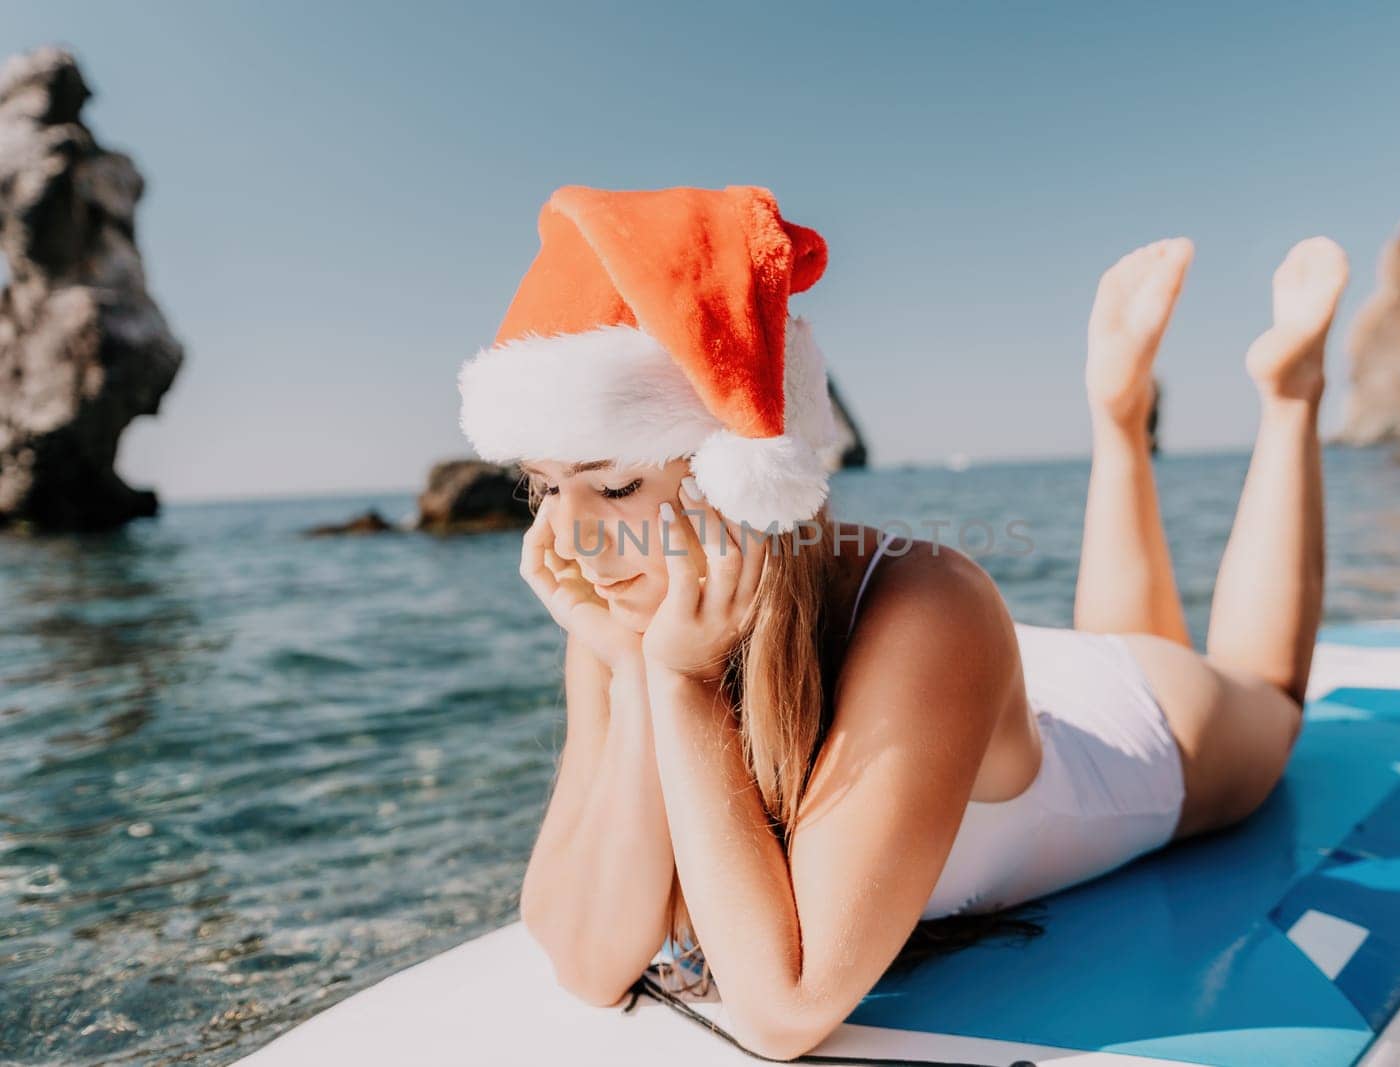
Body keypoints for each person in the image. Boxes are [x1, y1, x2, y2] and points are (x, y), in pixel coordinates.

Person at [455, 184, 1348, 1062]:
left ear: (738, 476)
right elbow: (584, 956)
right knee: (1108, 633)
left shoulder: (930, 602)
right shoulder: (625, 606)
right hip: (957, 705)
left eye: (612, 486)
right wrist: (636, 666)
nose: (566, 538)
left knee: (1266, 694)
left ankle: (1288, 393)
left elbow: (784, 1011)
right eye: (544, 486)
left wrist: (683, 685)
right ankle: (1119, 416)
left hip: (1134, 730)